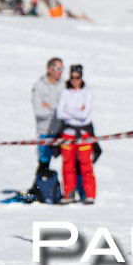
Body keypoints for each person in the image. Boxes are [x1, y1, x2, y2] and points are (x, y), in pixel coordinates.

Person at [55, 64, 96, 204]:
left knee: (86, 164)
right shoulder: (64, 92)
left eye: (77, 77)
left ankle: (89, 194)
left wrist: (69, 110)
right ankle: (69, 194)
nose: (75, 80)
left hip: (84, 133)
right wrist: (77, 110)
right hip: (67, 133)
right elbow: (60, 113)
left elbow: (85, 115)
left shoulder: (87, 91)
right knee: (68, 165)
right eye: (72, 77)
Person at [31, 57, 63, 172]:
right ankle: (39, 187)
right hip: (45, 131)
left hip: (62, 130)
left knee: (71, 164)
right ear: (50, 69)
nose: (60, 71)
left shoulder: (64, 85)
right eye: (58, 68)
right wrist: (57, 110)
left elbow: (66, 110)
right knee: (44, 161)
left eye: (62, 69)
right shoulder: (39, 85)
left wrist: (49, 107)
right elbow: (39, 111)